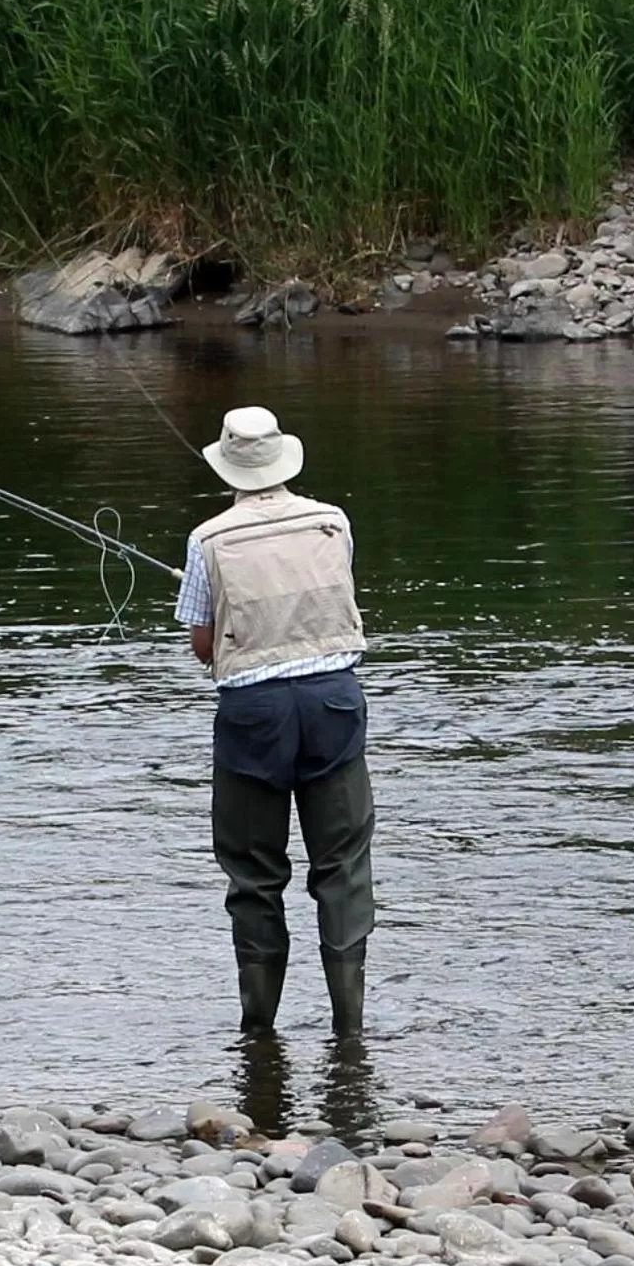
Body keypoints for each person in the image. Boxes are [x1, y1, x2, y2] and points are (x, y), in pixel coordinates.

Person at [175, 405, 375, 1039]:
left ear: (228, 463)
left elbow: (204, 647)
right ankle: (350, 1030)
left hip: (254, 716)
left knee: (255, 875)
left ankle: (257, 1032)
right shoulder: (332, 523)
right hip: (334, 703)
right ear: (284, 458)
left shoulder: (207, 540)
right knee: (341, 868)